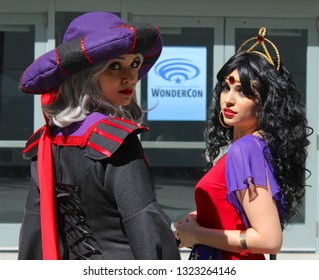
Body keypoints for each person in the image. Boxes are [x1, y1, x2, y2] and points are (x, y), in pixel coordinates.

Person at [18, 11, 180, 260]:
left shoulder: (45, 142)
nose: (130, 77)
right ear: (85, 76)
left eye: (134, 63)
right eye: (114, 66)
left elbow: (33, 233)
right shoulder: (116, 141)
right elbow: (145, 226)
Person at [174, 27, 312, 260]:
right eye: (226, 87)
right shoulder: (257, 146)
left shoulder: (245, 149)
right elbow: (240, 214)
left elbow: (269, 240)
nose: (228, 99)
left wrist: (197, 235)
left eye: (243, 92)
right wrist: (204, 216)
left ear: (266, 102)